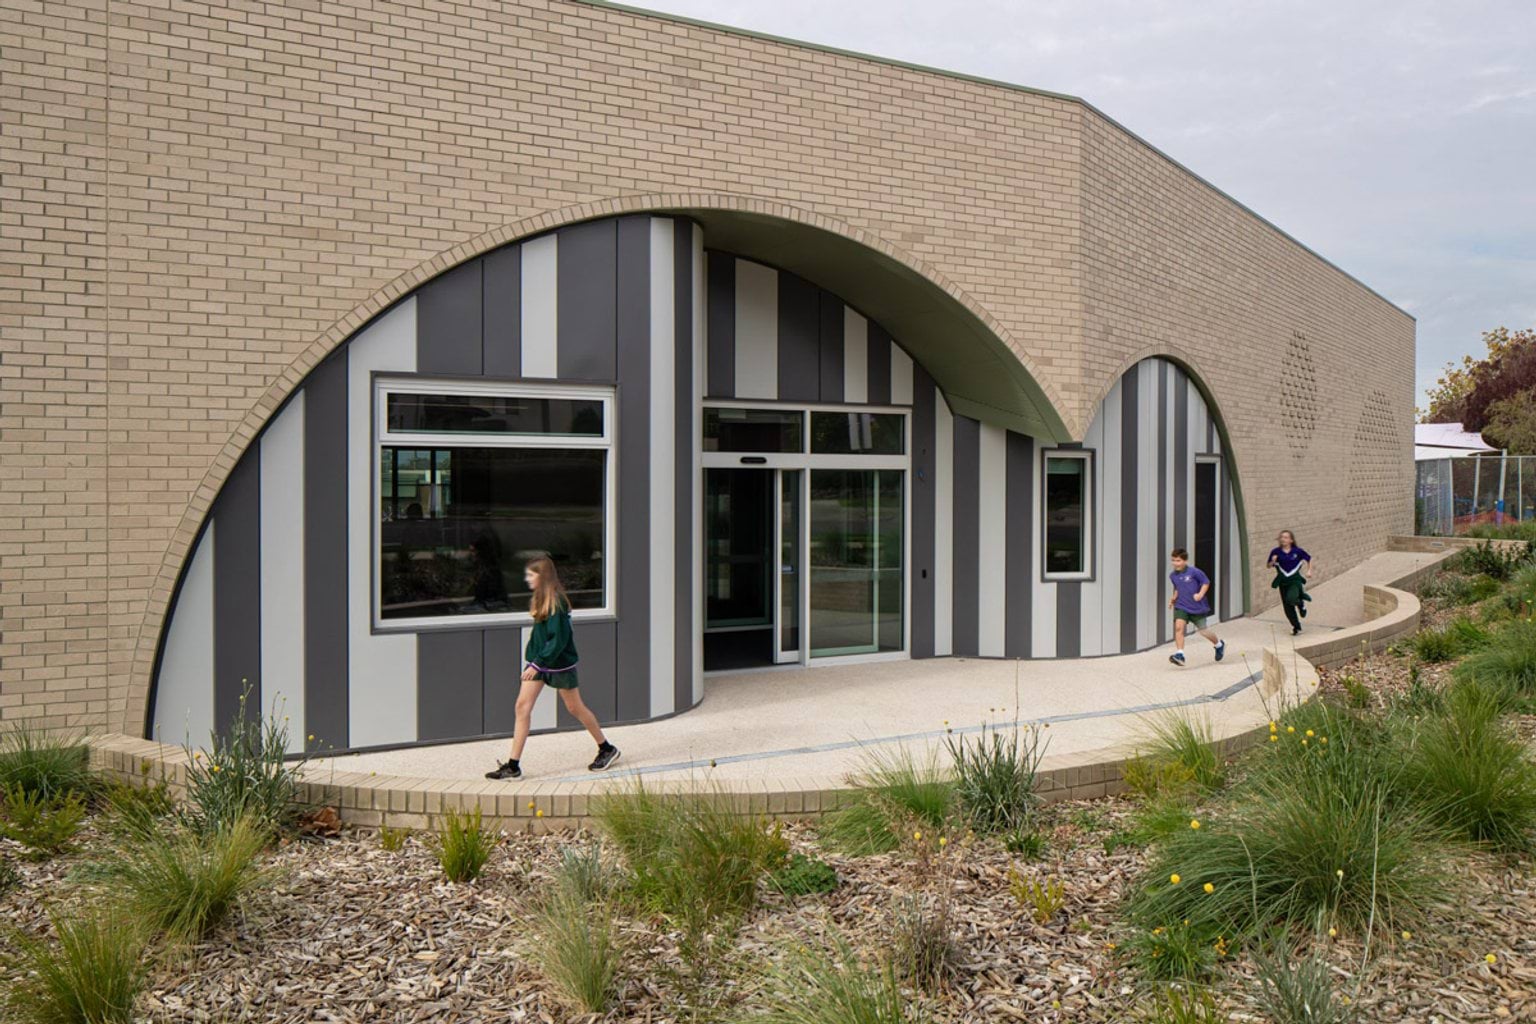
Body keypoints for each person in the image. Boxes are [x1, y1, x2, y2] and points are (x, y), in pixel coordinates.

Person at [485, 555, 620, 780]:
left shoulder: (556, 603)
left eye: (531, 574)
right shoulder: (540, 599)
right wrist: (534, 661)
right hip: (540, 662)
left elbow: (557, 640)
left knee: (575, 708)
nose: (527, 579)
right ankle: (513, 766)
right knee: (522, 707)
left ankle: (606, 748)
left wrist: (536, 664)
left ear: (543, 576)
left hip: (557, 665)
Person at [1167, 548, 1225, 667]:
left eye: (1178, 560)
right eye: (1173, 560)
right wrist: (1173, 599)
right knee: (1179, 628)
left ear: (1185, 560)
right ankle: (1180, 655)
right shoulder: (1173, 575)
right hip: (1181, 605)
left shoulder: (1194, 572)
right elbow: (1178, 588)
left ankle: (1219, 645)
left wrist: (1200, 595)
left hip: (1197, 607)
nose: (1175, 563)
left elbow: (1206, 582)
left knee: (1203, 631)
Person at [1267, 529, 1313, 635]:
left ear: (1291, 540)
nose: (1283, 539)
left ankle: (1300, 603)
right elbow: (1268, 566)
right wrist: (1273, 561)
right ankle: (1296, 626)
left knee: (1291, 598)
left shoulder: (1297, 551)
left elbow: (1309, 558)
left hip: (1295, 580)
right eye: (1282, 537)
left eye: (1286, 537)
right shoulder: (1275, 552)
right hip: (1283, 582)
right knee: (1287, 607)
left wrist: (1309, 570)